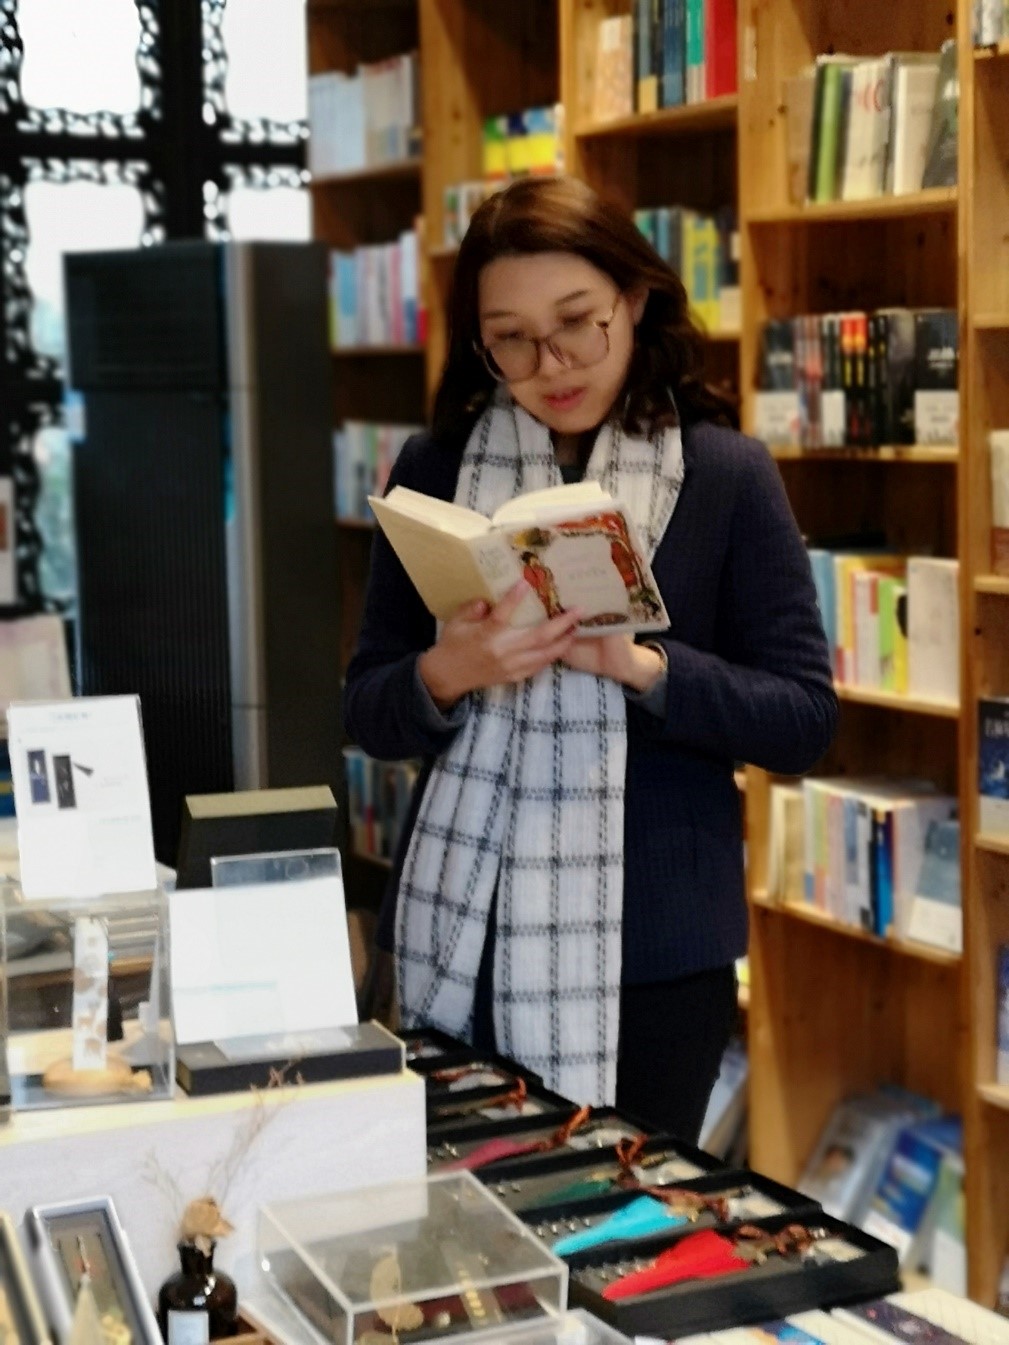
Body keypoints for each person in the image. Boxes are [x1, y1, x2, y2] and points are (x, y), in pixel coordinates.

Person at [344, 176, 838, 1141]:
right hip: (462, 930)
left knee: (624, 1217)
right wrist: (452, 670)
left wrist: (641, 668)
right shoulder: (434, 469)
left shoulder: (725, 474)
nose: (551, 363)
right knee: (462, 1212)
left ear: (635, 298)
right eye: (512, 338)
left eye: (577, 322)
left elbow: (803, 720)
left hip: (658, 959)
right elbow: (366, 706)